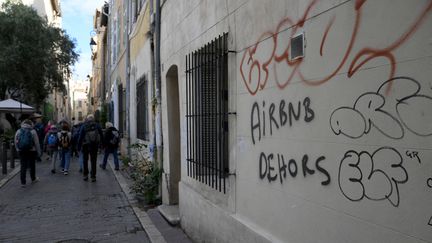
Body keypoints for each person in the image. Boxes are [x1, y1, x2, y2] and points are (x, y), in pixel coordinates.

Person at [14, 119, 41, 187]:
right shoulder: (33, 131)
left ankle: (23, 183)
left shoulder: (19, 131)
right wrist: (39, 152)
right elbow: (37, 143)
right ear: (31, 124)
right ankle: (33, 179)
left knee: (23, 166)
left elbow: (16, 141)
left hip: (22, 150)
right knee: (32, 165)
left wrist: (17, 149)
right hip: (31, 151)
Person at [77, 114, 103, 182]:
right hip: (94, 145)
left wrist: (78, 147)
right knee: (93, 161)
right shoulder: (97, 125)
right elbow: (101, 135)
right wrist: (102, 145)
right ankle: (93, 176)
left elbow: (80, 137)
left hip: (85, 145)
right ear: (93, 119)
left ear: (87, 119)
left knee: (85, 160)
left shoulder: (84, 125)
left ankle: (85, 175)